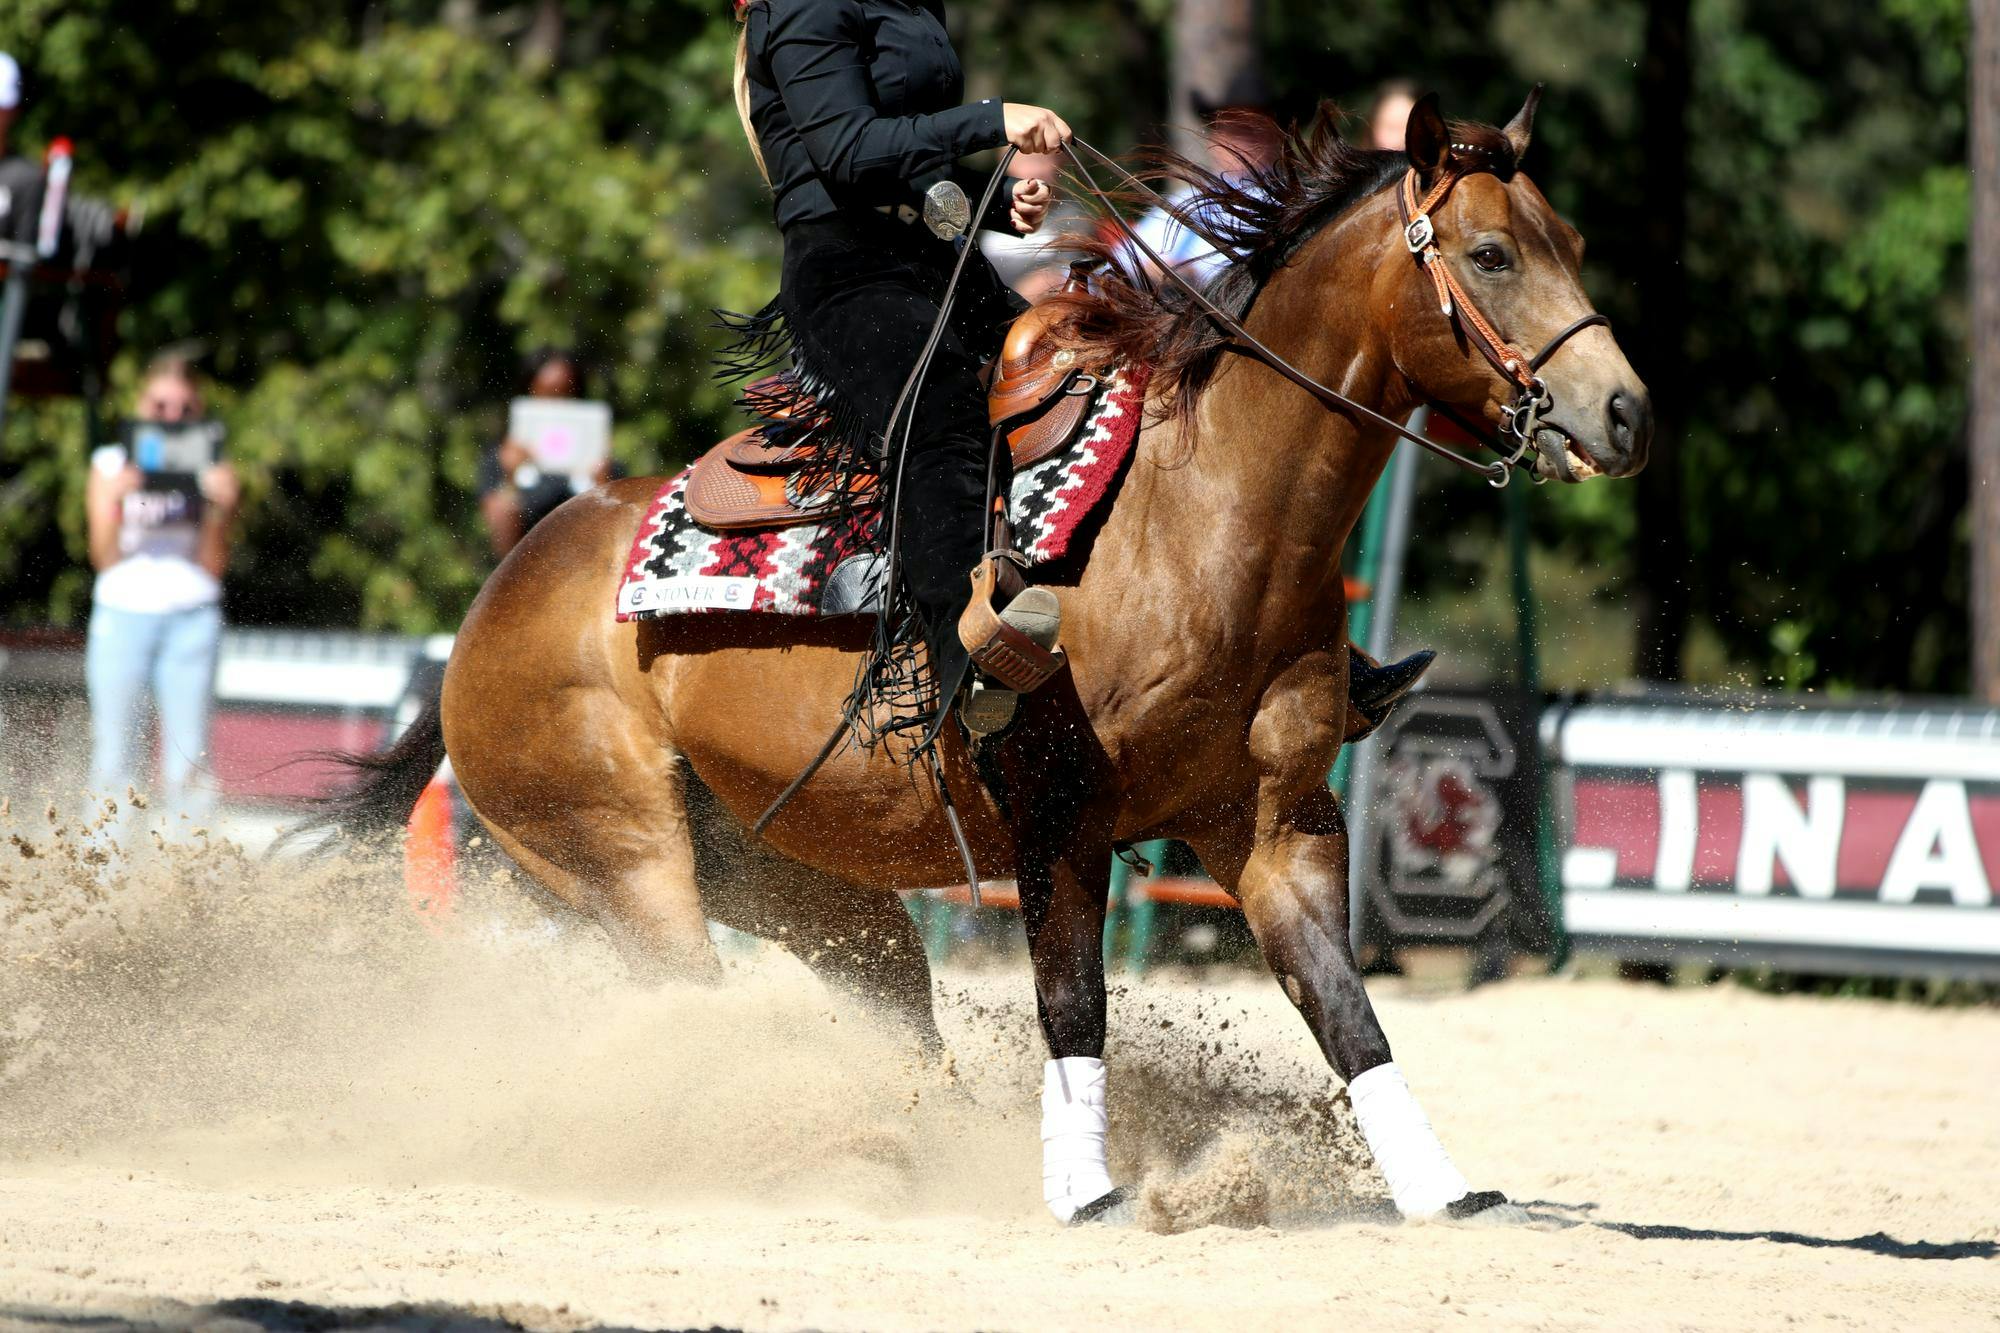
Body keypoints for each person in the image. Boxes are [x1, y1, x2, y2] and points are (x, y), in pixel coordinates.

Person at [733, 0, 1067, 735]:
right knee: (940, 404)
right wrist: (993, 119)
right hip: (848, 275)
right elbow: (848, 151)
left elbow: (911, 166)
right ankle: (968, 659)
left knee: (1090, 369)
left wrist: (997, 200)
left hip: (938, 265)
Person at [84, 353, 240, 822]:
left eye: (184, 409)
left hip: (192, 618)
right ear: (139, 406)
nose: (172, 417)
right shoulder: (108, 464)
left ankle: (184, 880)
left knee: (189, 759)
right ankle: (100, 879)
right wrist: (116, 500)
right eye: (160, 407)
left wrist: (219, 508)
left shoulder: (215, 468)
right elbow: (104, 558)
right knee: (115, 756)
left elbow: (213, 566)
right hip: (122, 614)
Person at [477, 348, 616, 558]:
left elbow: (615, 537)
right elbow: (502, 543)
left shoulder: (604, 466)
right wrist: (510, 477)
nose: (557, 406)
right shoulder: (500, 458)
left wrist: (604, 487)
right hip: (525, 575)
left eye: (567, 395)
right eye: (549, 394)